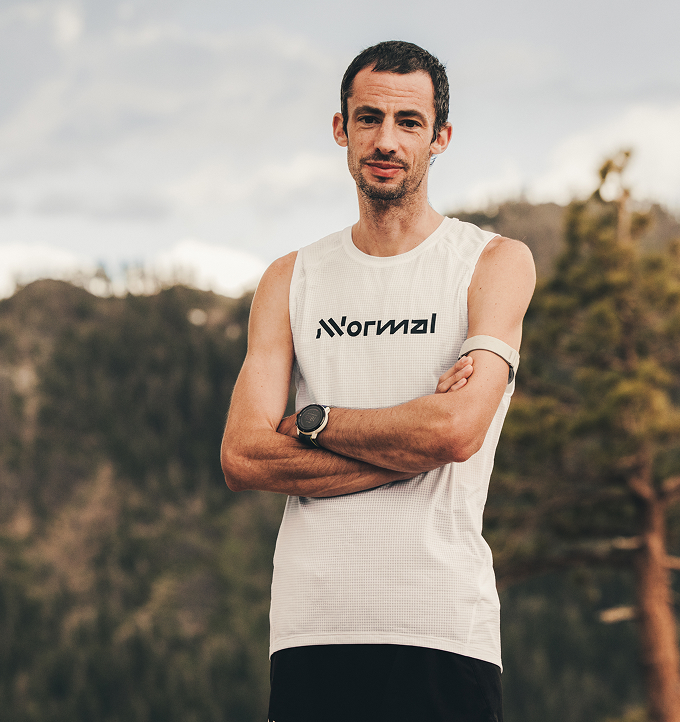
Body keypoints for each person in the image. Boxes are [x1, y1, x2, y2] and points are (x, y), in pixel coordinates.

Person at [221, 40, 535, 722]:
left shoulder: (492, 263)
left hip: (442, 629)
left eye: (408, 122)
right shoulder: (290, 278)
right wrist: (409, 446)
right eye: (369, 118)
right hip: (311, 629)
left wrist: (315, 422)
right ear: (342, 128)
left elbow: (455, 432)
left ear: (440, 137)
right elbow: (243, 456)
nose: (386, 140)